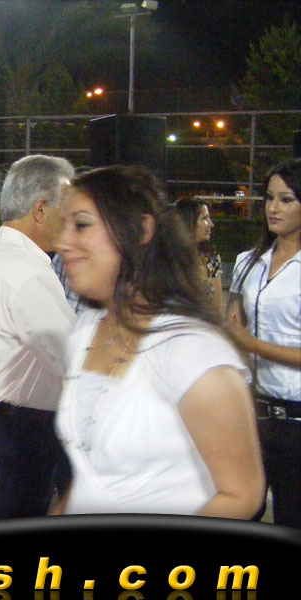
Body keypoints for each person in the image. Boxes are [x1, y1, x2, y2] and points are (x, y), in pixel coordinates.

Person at [52, 165, 264, 519]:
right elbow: (92, 472)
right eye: (63, 226)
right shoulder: (86, 331)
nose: (62, 242)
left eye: (82, 225)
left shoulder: (191, 351)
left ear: (142, 229)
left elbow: (241, 495)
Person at [0, 154, 76, 521]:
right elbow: (74, 361)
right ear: (40, 210)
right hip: (16, 439)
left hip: (0, 433)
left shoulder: (3, 257)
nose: (71, 223)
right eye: (67, 211)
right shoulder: (25, 271)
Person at [227, 158, 301, 528]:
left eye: (286, 199)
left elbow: (244, 337)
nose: (274, 208)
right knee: (241, 511)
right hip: (254, 414)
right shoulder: (248, 262)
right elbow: (233, 326)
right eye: (269, 198)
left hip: (297, 419)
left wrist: (251, 344)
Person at [175, 197, 223, 314]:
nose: (211, 224)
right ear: (188, 221)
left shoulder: (211, 258)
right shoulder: (169, 259)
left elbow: (218, 307)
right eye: (204, 218)